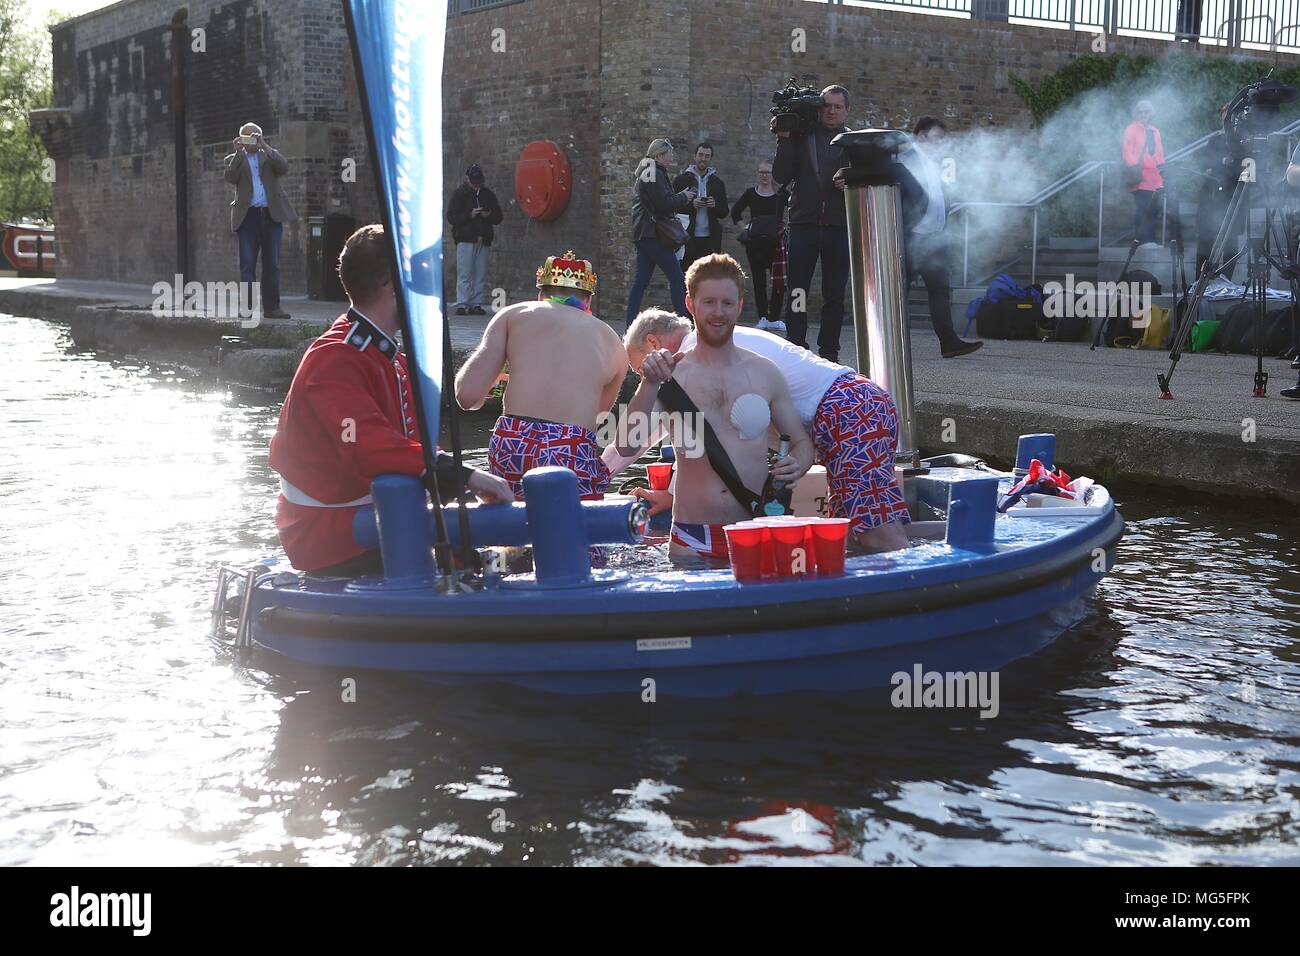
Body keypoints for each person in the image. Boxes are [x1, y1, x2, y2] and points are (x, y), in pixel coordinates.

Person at [268, 224, 512, 575]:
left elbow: (409, 446)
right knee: (484, 564)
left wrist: (461, 485)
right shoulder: (335, 356)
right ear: (390, 285)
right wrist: (463, 475)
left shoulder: (388, 357)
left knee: (505, 554)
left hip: (382, 510)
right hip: (331, 532)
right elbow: (365, 445)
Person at [624, 310, 910, 553]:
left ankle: (923, 590)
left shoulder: (696, 352)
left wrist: (668, 492)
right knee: (856, 531)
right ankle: (947, 542)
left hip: (847, 411)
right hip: (862, 402)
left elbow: (702, 432)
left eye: (639, 368)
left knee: (874, 532)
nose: (645, 374)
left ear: (652, 343)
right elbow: (699, 432)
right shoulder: (713, 346)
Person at [615, 254, 813, 566]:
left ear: (740, 305)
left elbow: (801, 442)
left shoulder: (765, 372)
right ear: (690, 304)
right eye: (708, 302)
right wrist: (648, 383)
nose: (718, 312)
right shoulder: (670, 375)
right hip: (691, 536)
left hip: (751, 529)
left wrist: (798, 463)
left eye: (726, 303)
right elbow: (626, 444)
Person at [456, 251, 627, 500]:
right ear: (588, 301)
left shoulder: (512, 315)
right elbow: (597, 417)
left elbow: (466, 397)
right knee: (571, 532)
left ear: (540, 294)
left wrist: (495, 381)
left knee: (511, 534)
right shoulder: (613, 342)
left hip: (513, 442)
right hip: (570, 446)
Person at [771, 84, 851, 361]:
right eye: (826, 105)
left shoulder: (854, 141)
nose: (831, 111)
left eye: (837, 107)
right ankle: (795, 347)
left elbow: (868, 179)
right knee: (797, 291)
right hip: (803, 224)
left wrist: (851, 181)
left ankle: (829, 353)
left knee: (834, 296)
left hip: (839, 227)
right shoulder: (802, 136)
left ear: (846, 111)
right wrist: (784, 139)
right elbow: (781, 175)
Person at [897, 118, 983, 358]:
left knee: (940, 291)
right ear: (921, 136)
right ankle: (890, 342)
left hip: (934, 240)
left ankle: (949, 342)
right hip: (910, 238)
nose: (942, 143)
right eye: (937, 138)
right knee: (898, 292)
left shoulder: (939, 163)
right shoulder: (905, 161)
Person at [224, 122, 297, 319]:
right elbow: (230, 177)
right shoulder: (235, 159)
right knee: (247, 265)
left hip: (271, 215)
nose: (251, 142)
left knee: (272, 263)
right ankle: (247, 309)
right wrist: (239, 152)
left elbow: (284, 167)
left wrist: (264, 145)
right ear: (240, 139)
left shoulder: (269, 155)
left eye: (254, 137)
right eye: (247, 137)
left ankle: (272, 308)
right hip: (248, 216)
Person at [627, 139, 696, 326]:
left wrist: (678, 196)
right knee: (676, 277)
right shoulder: (653, 173)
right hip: (652, 233)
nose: (672, 157)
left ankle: (629, 325)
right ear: (659, 155)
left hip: (645, 233)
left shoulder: (648, 171)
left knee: (641, 282)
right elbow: (663, 204)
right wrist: (684, 197)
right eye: (669, 154)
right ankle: (685, 322)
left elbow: (658, 200)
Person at [731, 159, 789, 335]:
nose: (764, 176)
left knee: (778, 282)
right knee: (759, 282)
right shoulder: (750, 193)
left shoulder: (781, 194)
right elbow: (735, 212)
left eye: (767, 172)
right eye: (761, 172)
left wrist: (786, 228)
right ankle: (763, 317)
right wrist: (746, 228)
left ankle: (775, 318)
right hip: (755, 245)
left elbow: (796, 208)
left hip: (776, 245)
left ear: (772, 175)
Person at [446, 164, 504, 316]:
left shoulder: (488, 195)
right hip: (465, 237)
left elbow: (498, 216)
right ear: (468, 179)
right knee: (464, 272)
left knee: (480, 272)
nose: (477, 184)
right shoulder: (460, 194)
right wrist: (469, 215)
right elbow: (451, 216)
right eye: (474, 181)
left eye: (479, 181)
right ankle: (462, 303)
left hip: (483, 238)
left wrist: (488, 215)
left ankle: (476, 303)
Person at [673, 142, 730, 273]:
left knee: (708, 277)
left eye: (707, 156)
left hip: (710, 239)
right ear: (695, 156)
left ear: (710, 159)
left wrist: (714, 205)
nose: (703, 159)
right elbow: (672, 207)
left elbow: (724, 212)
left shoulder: (717, 183)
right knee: (686, 277)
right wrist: (692, 205)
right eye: (701, 155)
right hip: (687, 238)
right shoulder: (681, 181)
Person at [1122, 100, 1165, 247]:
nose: (1143, 114)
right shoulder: (1131, 129)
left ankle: (1151, 240)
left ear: (1151, 113)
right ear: (1136, 113)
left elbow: (1159, 153)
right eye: (1140, 112)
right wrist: (1135, 166)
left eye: (1146, 111)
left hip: (1155, 177)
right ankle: (1141, 241)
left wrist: (1163, 171)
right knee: (1143, 208)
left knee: (1153, 210)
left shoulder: (1155, 131)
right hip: (1140, 177)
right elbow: (1127, 151)